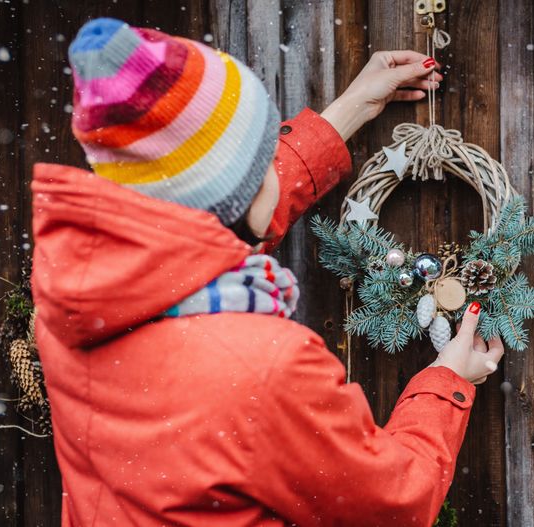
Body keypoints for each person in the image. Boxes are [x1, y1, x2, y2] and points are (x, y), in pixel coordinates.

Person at [31, 18, 505, 526]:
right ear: (238, 194)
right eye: (261, 164)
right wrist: (448, 379)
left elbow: (210, 221)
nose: (270, 177)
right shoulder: (262, 368)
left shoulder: (76, 302)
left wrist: (351, 109)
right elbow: (397, 502)